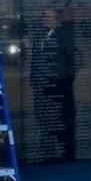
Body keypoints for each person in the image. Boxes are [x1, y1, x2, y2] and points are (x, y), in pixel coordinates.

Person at [30, 8, 76, 161]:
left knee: (64, 121)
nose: (46, 19)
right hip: (42, 87)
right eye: (44, 16)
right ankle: (48, 153)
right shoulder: (38, 37)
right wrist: (34, 79)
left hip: (60, 86)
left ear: (57, 20)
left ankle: (67, 155)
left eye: (50, 17)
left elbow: (74, 61)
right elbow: (35, 61)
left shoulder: (64, 37)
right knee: (44, 121)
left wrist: (64, 80)